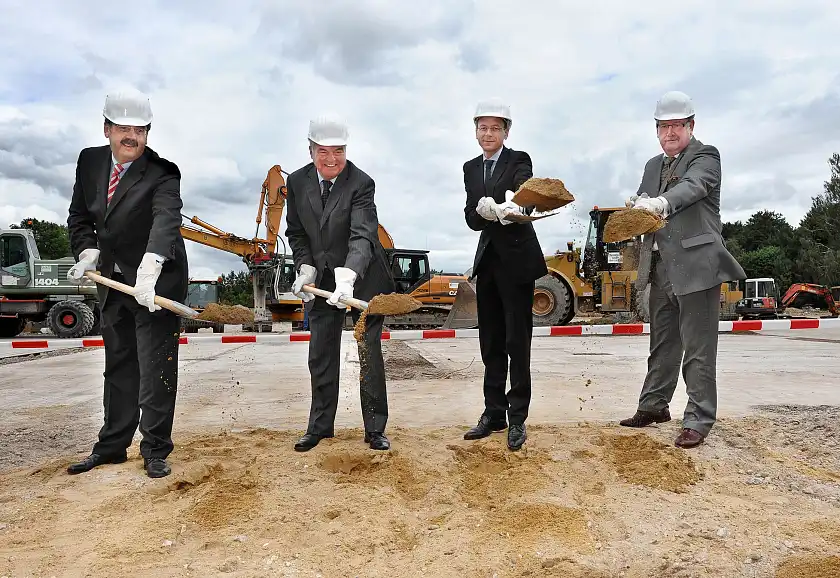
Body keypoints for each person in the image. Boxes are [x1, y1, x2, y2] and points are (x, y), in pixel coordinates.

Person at [65, 88, 188, 478]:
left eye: (139, 129)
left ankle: (154, 449)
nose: (131, 136)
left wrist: (151, 267)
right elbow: (79, 217)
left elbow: (166, 220)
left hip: (158, 280)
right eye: (122, 128)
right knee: (119, 364)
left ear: (149, 133)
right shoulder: (89, 162)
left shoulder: (163, 172)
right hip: (112, 281)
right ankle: (112, 446)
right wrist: (87, 252)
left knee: (156, 367)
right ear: (106, 129)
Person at [620, 91, 746, 448]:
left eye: (677, 125)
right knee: (662, 344)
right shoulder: (651, 166)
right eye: (663, 126)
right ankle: (654, 406)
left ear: (691, 126)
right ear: (656, 129)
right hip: (660, 267)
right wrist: (634, 207)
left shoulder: (705, 156)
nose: (670, 132)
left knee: (698, 348)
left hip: (696, 266)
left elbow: (692, 188)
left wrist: (660, 203)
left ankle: (699, 418)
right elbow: (643, 202)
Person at [285, 114, 396, 452]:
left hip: (361, 280)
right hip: (319, 281)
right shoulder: (296, 182)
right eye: (323, 151)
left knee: (368, 353)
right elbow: (297, 232)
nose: (331, 159)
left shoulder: (361, 183)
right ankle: (320, 426)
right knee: (320, 353)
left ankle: (375, 428)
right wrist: (305, 267)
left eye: (338, 151)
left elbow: (362, 235)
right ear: (310, 149)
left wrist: (348, 276)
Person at [461, 98, 548, 451]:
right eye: (482, 127)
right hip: (489, 265)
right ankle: (493, 413)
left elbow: (525, 194)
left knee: (517, 343)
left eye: (495, 128)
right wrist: (483, 212)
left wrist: (509, 205)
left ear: (506, 131)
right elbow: (470, 217)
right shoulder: (469, 168)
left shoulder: (518, 160)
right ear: (475, 130)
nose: (488, 133)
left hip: (517, 262)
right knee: (491, 343)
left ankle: (517, 418)